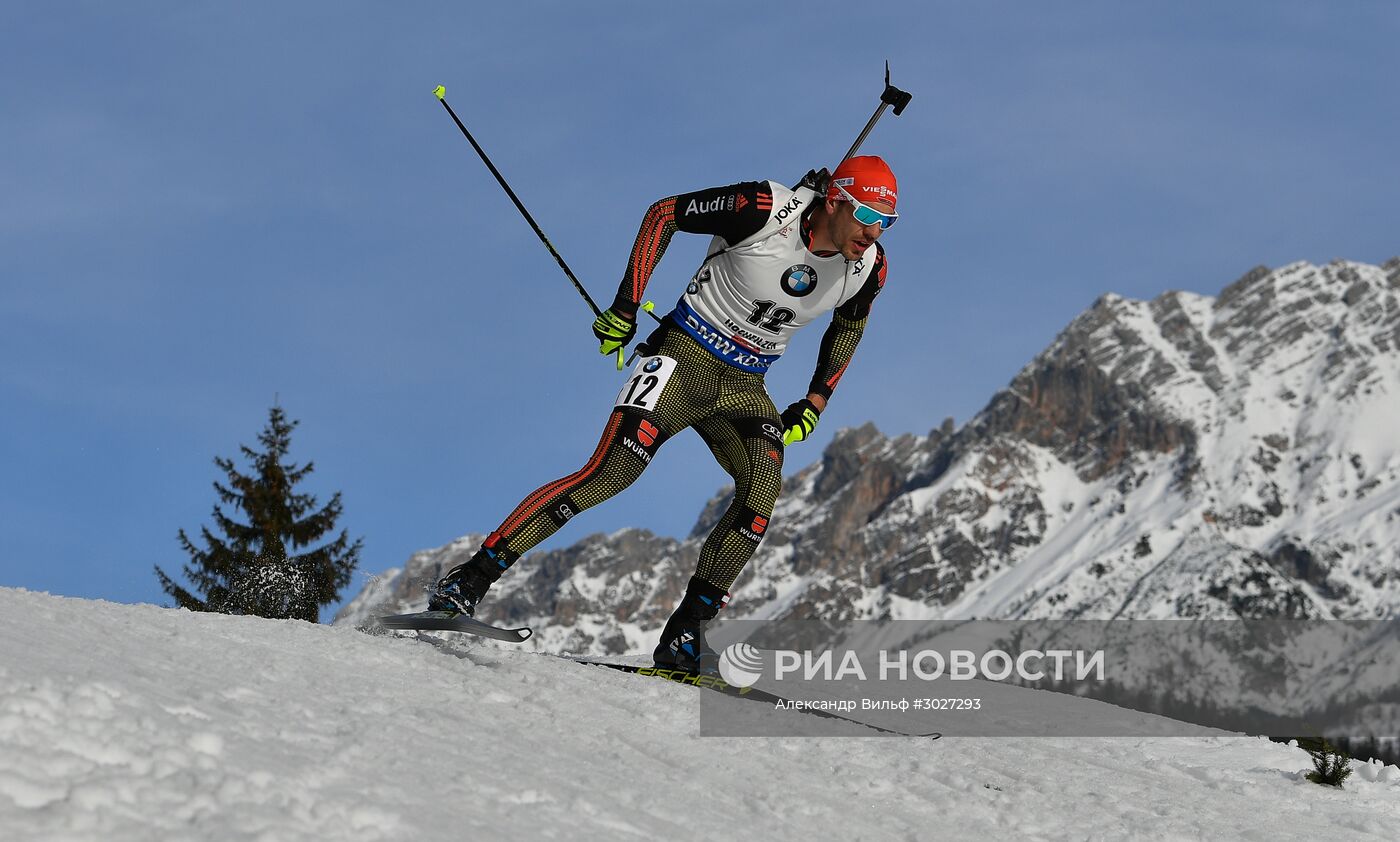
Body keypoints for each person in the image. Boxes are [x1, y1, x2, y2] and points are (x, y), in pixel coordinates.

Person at [430, 156, 899, 674]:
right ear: (836, 200)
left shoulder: (869, 266)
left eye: (887, 223)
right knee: (611, 474)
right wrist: (625, 308)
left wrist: (815, 400)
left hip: (745, 386)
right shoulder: (766, 208)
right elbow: (663, 215)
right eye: (867, 216)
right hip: (680, 358)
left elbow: (849, 326)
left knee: (761, 494)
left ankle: (684, 638)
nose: (874, 232)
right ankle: (466, 582)